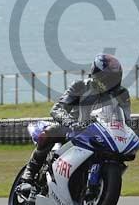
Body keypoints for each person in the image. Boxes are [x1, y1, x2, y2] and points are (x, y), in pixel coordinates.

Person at [19, 53, 131, 189]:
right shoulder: (80, 86)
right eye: (107, 78)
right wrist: (71, 123)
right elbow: (57, 109)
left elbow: (125, 120)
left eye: (113, 78)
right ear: (96, 74)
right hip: (73, 127)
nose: (110, 82)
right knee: (49, 132)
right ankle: (30, 172)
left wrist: (127, 136)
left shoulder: (121, 94)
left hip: (102, 133)